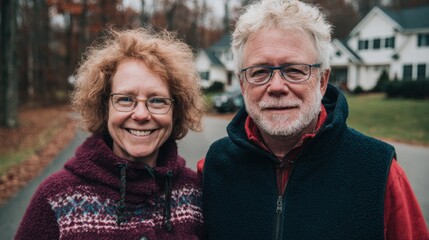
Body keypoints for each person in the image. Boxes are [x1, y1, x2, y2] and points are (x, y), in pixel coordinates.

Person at [200, 0, 429, 239]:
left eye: (295, 70)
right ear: (242, 84)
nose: (277, 86)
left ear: (322, 81)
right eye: (259, 72)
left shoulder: (380, 172)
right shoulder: (213, 169)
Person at [16, 28, 205, 239]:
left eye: (157, 100)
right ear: (104, 107)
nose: (141, 114)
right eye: (125, 99)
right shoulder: (56, 197)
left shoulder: (196, 193)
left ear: (176, 109)